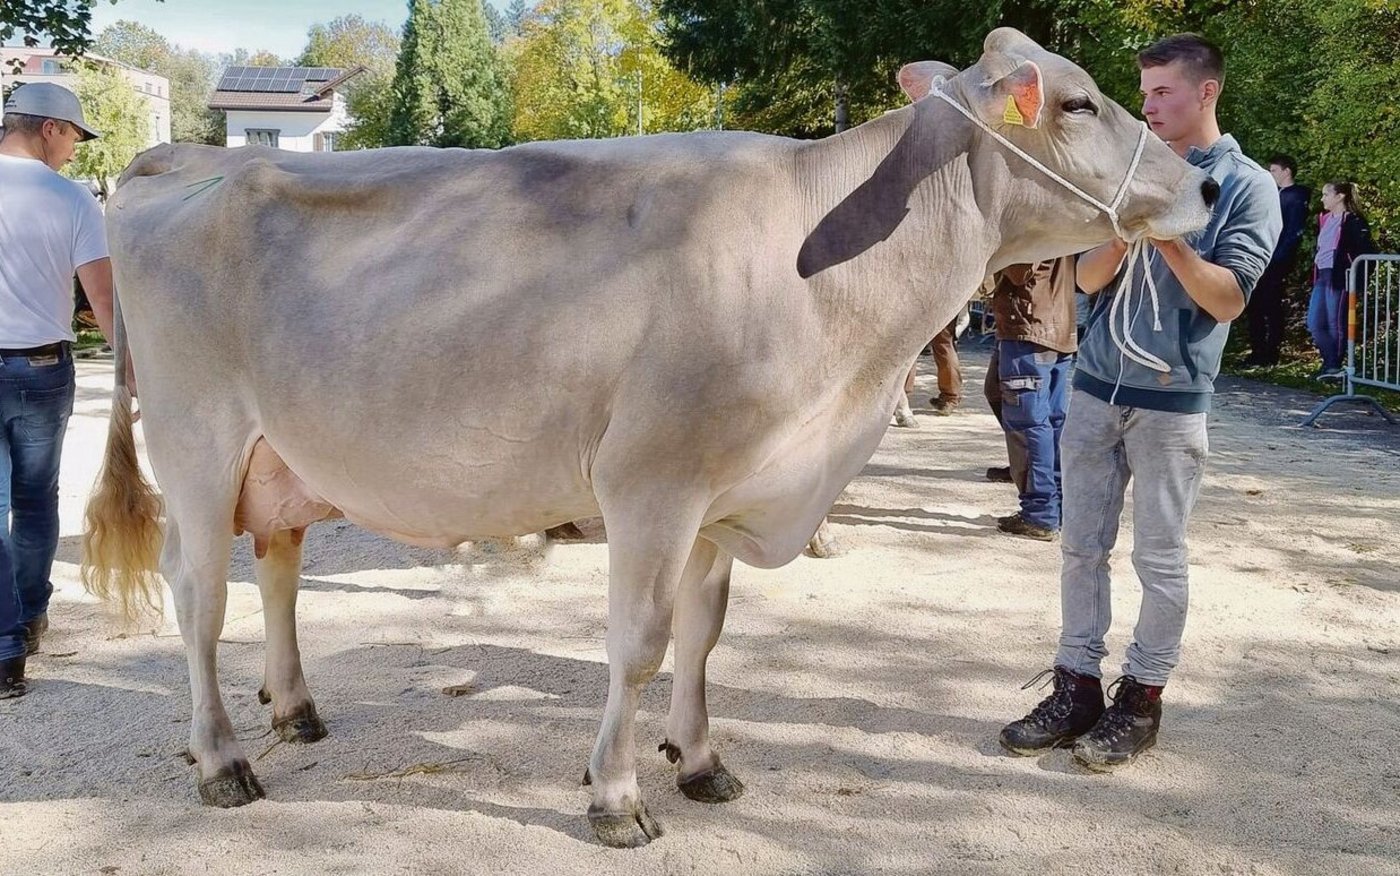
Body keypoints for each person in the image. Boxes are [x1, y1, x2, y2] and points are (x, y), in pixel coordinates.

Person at [999, 35, 1281, 770]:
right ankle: (1076, 687)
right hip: (1094, 390)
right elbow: (1086, 281)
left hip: (1170, 402)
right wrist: (1124, 233)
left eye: (1161, 92)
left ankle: (1142, 700)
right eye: (1145, 92)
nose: (1148, 105)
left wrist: (1172, 237)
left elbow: (1227, 301)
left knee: (1160, 559)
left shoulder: (1246, 185)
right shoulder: (1127, 166)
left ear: (1206, 92)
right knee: (1079, 551)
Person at [0, 83, 119, 698]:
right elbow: (101, 302)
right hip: (39, 370)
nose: (74, 150)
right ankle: (26, 618)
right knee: (35, 500)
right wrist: (133, 364)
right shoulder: (71, 200)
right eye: (74, 135)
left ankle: (4, 646)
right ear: (49, 128)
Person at [982, 257, 1078, 541]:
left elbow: (1019, 270)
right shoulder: (1063, 216)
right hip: (1051, 326)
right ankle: (1051, 499)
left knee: (1030, 423)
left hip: (1030, 326)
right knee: (1040, 416)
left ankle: (1040, 513)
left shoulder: (1034, 219)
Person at [1245, 155, 1310, 366]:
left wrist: (1279, 258)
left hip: (1276, 261)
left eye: (1273, 170)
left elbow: (1293, 231)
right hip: (1260, 257)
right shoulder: (1272, 194)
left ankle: (1270, 353)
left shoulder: (1296, 197)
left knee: (1271, 305)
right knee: (1254, 305)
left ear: (1286, 171)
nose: (1270, 174)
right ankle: (1257, 351)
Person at [1306, 181, 1374, 379]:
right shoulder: (1324, 218)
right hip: (1322, 276)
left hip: (1340, 277)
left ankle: (1334, 366)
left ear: (1340, 196)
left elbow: (1366, 252)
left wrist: (1355, 277)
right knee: (1314, 322)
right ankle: (1329, 363)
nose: (1322, 198)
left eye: (1326, 194)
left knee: (1335, 322)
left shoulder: (1353, 221)